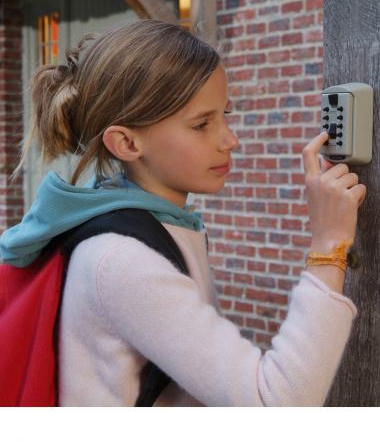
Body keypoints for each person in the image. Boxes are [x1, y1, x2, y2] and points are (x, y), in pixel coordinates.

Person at [0, 20, 366, 407]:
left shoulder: (160, 224)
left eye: (225, 114)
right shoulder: (122, 260)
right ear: (126, 142)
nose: (230, 139)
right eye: (201, 124)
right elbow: (274, 402)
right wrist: (329, 243)